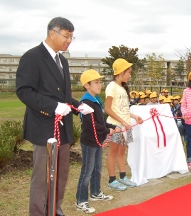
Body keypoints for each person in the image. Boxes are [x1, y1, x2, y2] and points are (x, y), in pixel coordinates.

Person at [15, 17, 94, 216]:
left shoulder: (62, 60)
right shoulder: (32, 57)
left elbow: (64, 96)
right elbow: (24, 91)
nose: (70, 40)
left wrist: (79, 106)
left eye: (71, 37)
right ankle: (38, 213)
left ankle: (54, 210)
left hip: (63, 128)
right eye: (67, 36)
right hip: (44, 128)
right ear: (53, 33)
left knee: (61, 174)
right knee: (42, 177)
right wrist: (52, 107)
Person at [75, 69, 119, 213]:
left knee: (97, 169)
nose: (100, 85)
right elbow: (91, 125)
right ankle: (81, 201)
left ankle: (95, 193)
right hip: (89, 142)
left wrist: (112, 126)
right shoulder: (86, 102)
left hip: (98, 141)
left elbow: (101, 121)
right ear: (87, 85)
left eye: (100, 82)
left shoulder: (96, 100)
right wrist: (108, 130)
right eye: (96, 82)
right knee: (87, 171)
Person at [104, 58, 144, 191]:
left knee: (121, 152)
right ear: (121, 72)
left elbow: (123, 109)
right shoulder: (111, 87)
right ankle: (112, 180)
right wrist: (121, 122)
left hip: (125, 126)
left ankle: (122, 176)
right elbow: (108, 109)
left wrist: (134, 116)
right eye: (129, 72)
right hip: (116, 126)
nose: (130, 75)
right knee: (113, 153)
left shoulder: (122, 88)